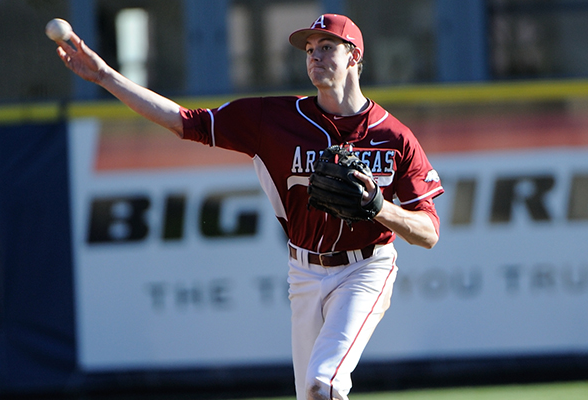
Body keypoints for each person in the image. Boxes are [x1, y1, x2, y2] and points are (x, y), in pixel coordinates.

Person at [55, 13, 443, 400]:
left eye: (327, 47)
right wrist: (106, 76)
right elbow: (184, 122)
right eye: (309, 50)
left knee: (324, 383)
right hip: (304, 272)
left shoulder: (395, 137)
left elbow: (428, 233)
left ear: (355, 56)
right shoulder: (273, 118)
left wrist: (378, 206)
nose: (315, 57)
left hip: (366, 268)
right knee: (310, 395)